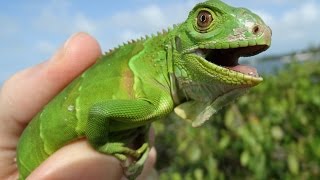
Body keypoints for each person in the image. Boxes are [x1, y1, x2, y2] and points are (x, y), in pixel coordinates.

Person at [0, 32, 156, 179]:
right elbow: (99, 112)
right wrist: (101, 144)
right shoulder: (153, 98)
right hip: (24, 156)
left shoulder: (154, 97)